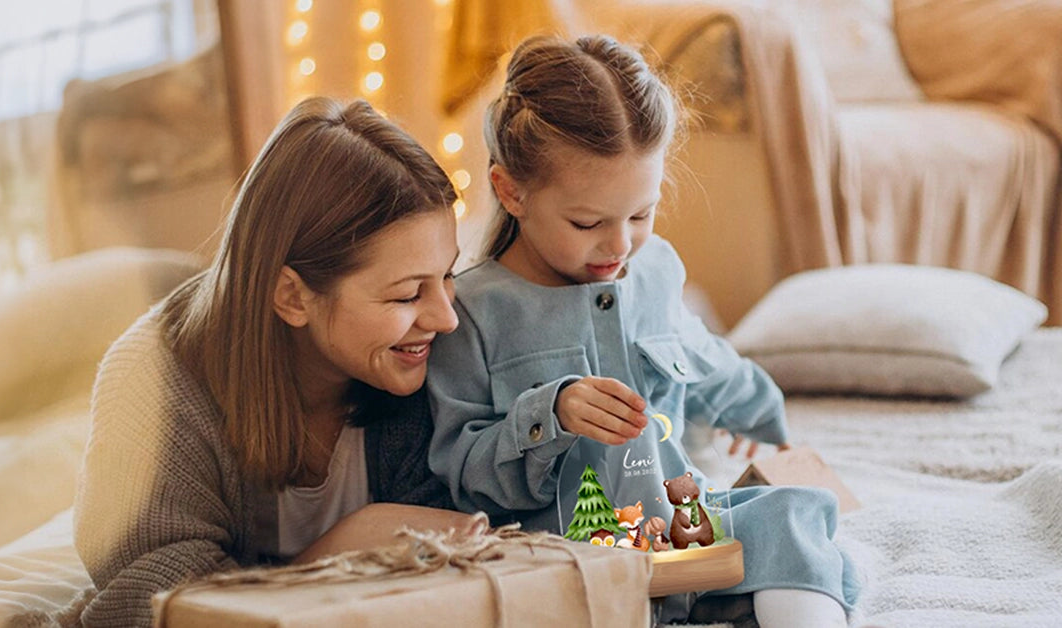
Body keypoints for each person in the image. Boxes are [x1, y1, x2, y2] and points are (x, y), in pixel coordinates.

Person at [426, 35, 859, 628]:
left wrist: (766, 421)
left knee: (795, 514)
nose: (619, 245)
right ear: (511, 192)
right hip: (567, 549)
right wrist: (550, 414)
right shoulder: (470, 311)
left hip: (684, 525)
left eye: (640, 214)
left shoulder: (654, 271)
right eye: (587, 222)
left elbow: (703, 358)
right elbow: (462, 471)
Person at [74, 97, 472, 627]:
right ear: (291, 295)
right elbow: (146, 605)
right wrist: (336, 552)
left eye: (447, 275)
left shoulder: (429, 359)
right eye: (405, 296)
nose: (447, 319)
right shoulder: (153, 384)